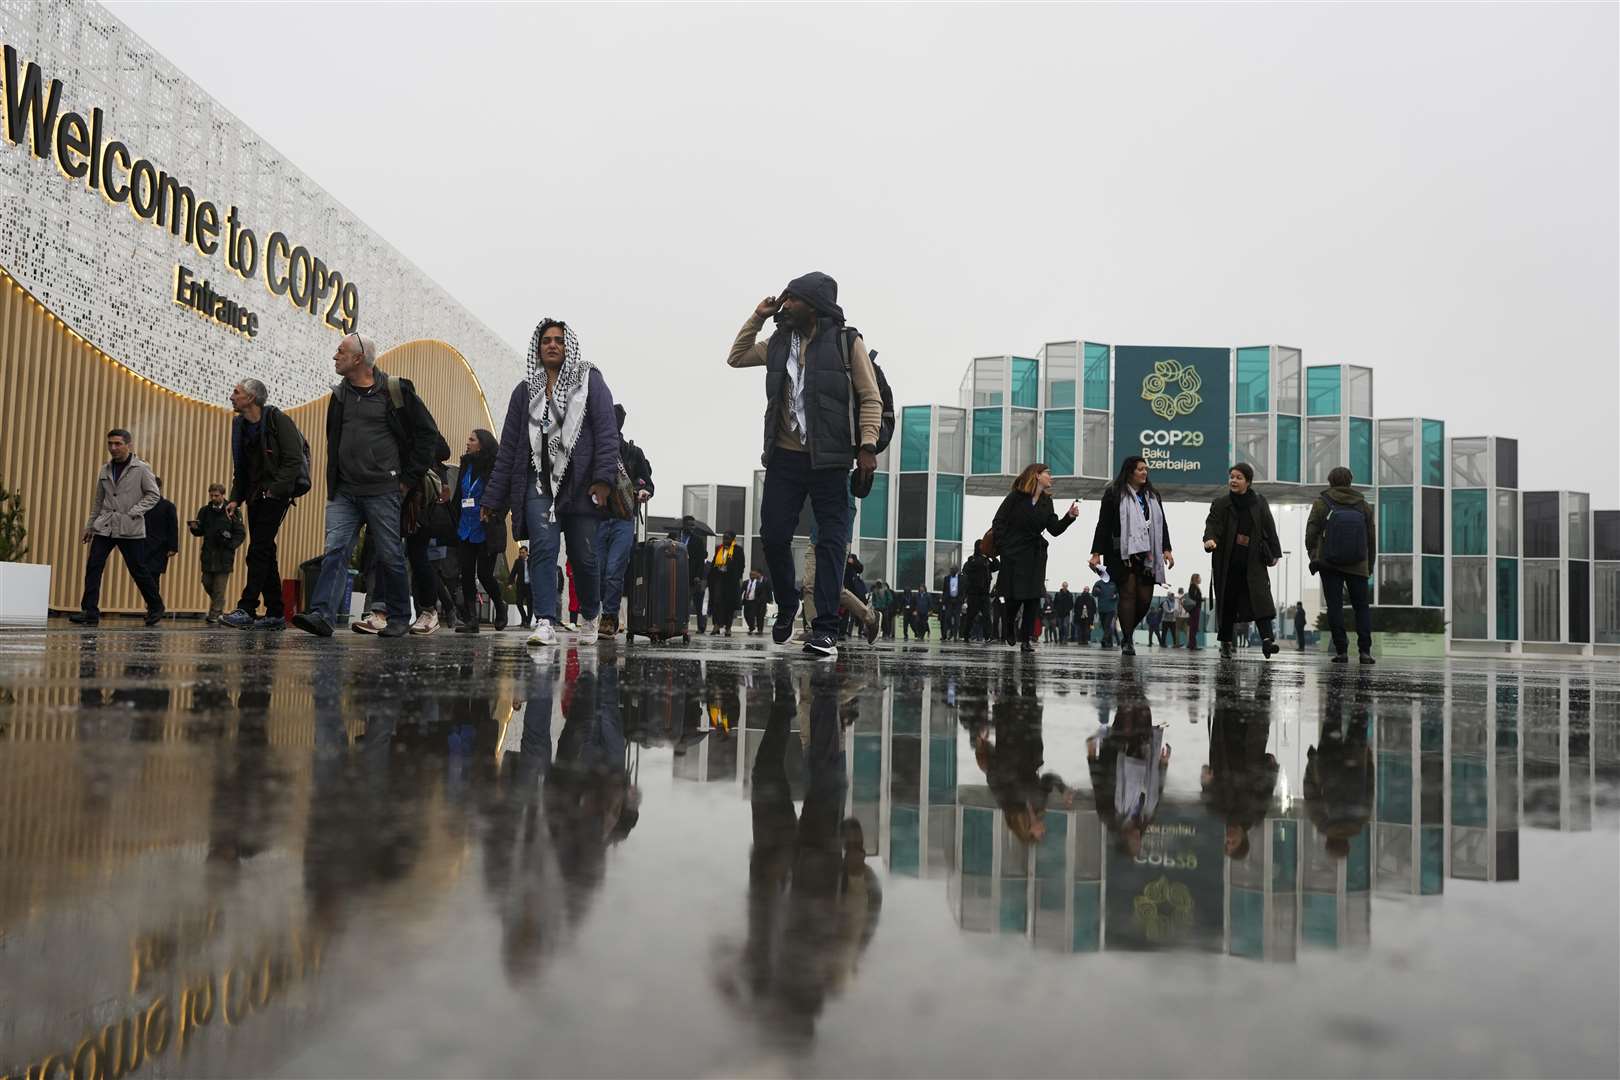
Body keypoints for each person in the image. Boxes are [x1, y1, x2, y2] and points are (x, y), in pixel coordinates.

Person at [728, 273, 883, 659]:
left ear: (812, 304)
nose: (785, 304)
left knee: (831, 545)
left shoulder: (847, 342)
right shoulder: (779, 342)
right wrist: (758, 315)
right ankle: (787, 603)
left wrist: (867, 445)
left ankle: (826, 631)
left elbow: (870, 397)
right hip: (784, 457)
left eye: (792, 299)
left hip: (830, 461)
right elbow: (736, 356)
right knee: (774, 535)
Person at [292, 333, 441, 639]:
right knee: (335, 550)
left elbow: (429, 435)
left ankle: (399, 616)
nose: (335, 356)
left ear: (358, 359)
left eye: (341, 351)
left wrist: (407, 480)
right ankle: (322, 614)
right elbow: (334, 440)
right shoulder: (340, 395)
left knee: (389, 554)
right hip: (344, 491)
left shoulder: (395, 390)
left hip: (383, 490)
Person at [481, 319, 619, 648]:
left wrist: (603, 480)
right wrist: (493, 498)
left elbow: (606, 431)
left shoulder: (589, 382)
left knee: (584, 558)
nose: (552, 345)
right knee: (543, 548)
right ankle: (545, 620)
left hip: (581, 485)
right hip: (538, 483)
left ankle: (590, 612)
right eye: (546, 341)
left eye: (558, 340)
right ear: (538, 348)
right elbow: (509, 449)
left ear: (567, 346)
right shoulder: (525, 391)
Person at [221, 378, 304, 630]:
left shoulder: (277, 420)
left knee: (257, 550)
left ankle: (247, 607)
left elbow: (293, 461)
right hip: (255, 495)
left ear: (251, 398)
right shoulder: (240, 425)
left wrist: (274, 489)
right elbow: (242, 468)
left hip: (275, 495)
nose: (232, 396)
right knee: (266, 551)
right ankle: (276, 612)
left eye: (237, 392)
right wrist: (236, 497)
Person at [69, 429, 166, 626]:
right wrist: (90, 526)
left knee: (138, 569)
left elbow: (153, 495)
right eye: (110, 444)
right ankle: (90, 611)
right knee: (94, 566)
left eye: (117, 444)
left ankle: (156, 607)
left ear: (128, 445)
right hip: (105, 526)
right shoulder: (105, 469)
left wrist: (134, 511)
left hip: (129, 527)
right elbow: (99, 500)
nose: (113, 448)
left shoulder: (142, 468)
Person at [1089, 456, 1175, 657]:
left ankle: (1127, 629)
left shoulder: (1153, 495)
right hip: (1121, 552)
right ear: (1129, 472)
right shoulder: (1113, 493)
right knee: (1127, 594)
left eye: (1146, 469)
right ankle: (1127, 640)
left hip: (1148, 554)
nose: (1145, 472)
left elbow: (1162, 524)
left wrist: (1167, 549)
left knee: (1145, 600)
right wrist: (1096, 553)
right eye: (1140, 469)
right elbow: (1103, 524)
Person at [991, 464, 1080, 653]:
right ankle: (1009, 626)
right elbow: (998, 521)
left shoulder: (1047, 501)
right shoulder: (1016, 497)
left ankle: (1026, 640)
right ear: (1037, 475)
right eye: (1049, 473)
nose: (1051, 478)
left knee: (1032, 598)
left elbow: (1054, 529)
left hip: (1035, 554)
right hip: (1014, 553)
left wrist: (1069, 517)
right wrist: (1003, 547)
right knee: (1014, 598)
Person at [1203, 462, 1283, 659]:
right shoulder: (1221, 503)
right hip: (1228, 560)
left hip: (1253, 561)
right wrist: (1209, 539)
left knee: (1260, 601)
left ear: (1248, 481)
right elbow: (1212, 524)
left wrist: (1275, 553)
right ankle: (1226, 643)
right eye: (1231, 477)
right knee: (1228, 603)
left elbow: (1269, 527)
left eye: (1238, 477)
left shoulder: (1259, 502)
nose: (1234, 480)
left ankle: (1267, 641)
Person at [1305, 466, 1378, 665]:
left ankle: (1342, 651)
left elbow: (1311, 532)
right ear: (1350, 482)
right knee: (1361, 607)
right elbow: (1371, 539)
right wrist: (1369, 565)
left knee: (1334, 607)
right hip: (1358, 563)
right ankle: (1364, 651)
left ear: (1330, 482)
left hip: (1330, 563)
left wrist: (1314, 555)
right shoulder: (1363, 505)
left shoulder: (1322, 503)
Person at [597, 404, 654, 636]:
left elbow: (649, 483)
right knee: (599, 571)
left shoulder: (633, 453)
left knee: (613, 570)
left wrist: (644, 491)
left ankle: (609, 618)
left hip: (623, 519)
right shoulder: (596, 451)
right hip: (598, 519)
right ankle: (599, 614)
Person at [448, 429, 508, 634]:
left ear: (482, 444)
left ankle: (500, 605)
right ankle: (472, 620)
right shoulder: (467, 463)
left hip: (486, 528)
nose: (467, 443)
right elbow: (460, 494)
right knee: (465, 573)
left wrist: (495, 515)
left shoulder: (495, 467)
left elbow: (503, 496)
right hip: (466, 526)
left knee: (484, 574)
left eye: (471, 439)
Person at [188, 483, 244, 623]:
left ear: (222, 495)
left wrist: (230, 546)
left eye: (216, 495)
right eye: (211, 495)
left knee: (219, 587)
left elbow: (240, 533)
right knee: (206, 582)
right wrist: (194, 528)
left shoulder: (233, 511)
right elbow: (200, 531)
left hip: (224, 555)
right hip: (208, 553)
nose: (213, 498)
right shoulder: (205, 511)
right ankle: (219, 604)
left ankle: (214, 614)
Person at [140, 476, 180, 604]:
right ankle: (153, 605)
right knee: (144, 578)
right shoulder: (142, 505)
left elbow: (173, 527)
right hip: (143, 546)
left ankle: (153, 607)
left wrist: (173, 547)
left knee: (153, 577)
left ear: (159, 488)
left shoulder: (168, 506)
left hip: (159, 548)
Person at [708, 531, 745, 636]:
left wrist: (738, 577)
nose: (725, 540)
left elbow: (741, 566)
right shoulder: (719, 548)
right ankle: (716, 625)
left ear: (732, 539)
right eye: (724, 538)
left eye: (727, 538)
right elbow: (714, 561)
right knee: (717, 603)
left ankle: (728, 627)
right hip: (719, 579)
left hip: (731, 581)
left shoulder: (738, 550)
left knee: (729, 605)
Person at [960, 540, 998, 643]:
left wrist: (993, 557)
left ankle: (987, 636)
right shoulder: (972, 560)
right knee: (970, 616)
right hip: (974, 594)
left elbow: (995, 567)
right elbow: (967, 570)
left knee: (986, 616)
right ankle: (966, 635)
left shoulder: (986, 560)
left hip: (984, 594)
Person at [509, 544, 531, 629]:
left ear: (527, 552)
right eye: (520, 553)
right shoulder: (517, 561)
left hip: (529, 586)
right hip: (520, 586)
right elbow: (513, 573)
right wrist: (510, 583)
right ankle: (524, 618)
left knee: (530, 604)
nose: (521, 554)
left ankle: (527, 622)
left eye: (523, 553)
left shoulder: (531, 560)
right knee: (518, 602)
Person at [742, 569, 771, 634]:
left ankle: (757, 629)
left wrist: (765, 600)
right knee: (746, 615)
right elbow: (741, 591)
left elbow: (764, 592)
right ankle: (751, 626)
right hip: (747, 601)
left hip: (754, 602)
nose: (752, 576)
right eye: (750, 574)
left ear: (755, 576)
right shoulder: (745, 582)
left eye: (753, 575)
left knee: (754, 616)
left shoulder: (759, 584)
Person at [939, 565, 963, 640]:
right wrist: (943, 601)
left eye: (952, 569)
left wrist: (962, 599)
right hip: (949, 600)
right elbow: (944, 590)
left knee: (957, 619)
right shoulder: (947, 578)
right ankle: (949, 632)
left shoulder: (961, 578)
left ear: (956, 570)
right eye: (950, 569)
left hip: (957, 600)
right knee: (947, 618)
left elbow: (963, 589)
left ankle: (955, 635)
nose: (951, 571)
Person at [1094, 576, 1119, 647]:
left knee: (1107, 625)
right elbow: (1094, 594)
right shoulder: (1098, 583)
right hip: (1101, 608)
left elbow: (1119, 593)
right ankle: (1110, 642)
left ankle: (1104, 640)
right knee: (1104, 626)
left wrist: (1116, 596)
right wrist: (1096, 591)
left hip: (1111, 609)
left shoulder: (1114, 584)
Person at [1184, 574, 1204, 650]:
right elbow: (1193, 597)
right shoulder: (1193, 586)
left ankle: (1191, 644)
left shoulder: (1193, 586)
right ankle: (1193, 645)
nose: (1200, 579)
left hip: (1194, 608)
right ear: (1196, 579)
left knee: (1193, 626)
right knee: (1194, 627)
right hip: (1195, 608)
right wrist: (1201, 599)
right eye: (1199, 578)